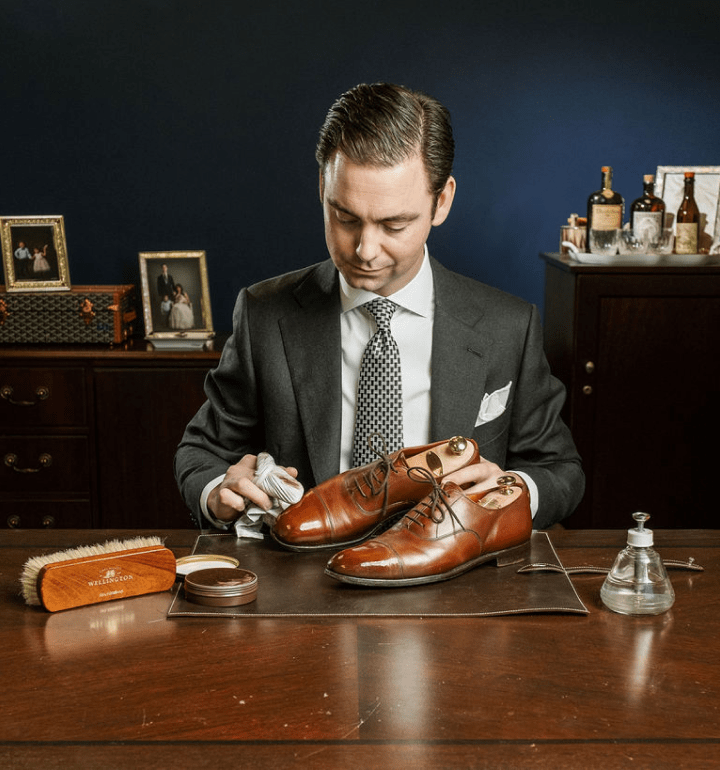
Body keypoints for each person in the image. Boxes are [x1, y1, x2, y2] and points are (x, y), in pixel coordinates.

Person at [175, 82, 584, 532]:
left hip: (452, 581)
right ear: (322, 188)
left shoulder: (510, 326)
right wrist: (219, 491)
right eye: (345, 217)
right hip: (304, 577)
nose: (365, 250)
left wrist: (512, 489)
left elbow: (560, 470)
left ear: (441, 201)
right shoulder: (264, 314)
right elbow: (202, 452)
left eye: (394, 224)